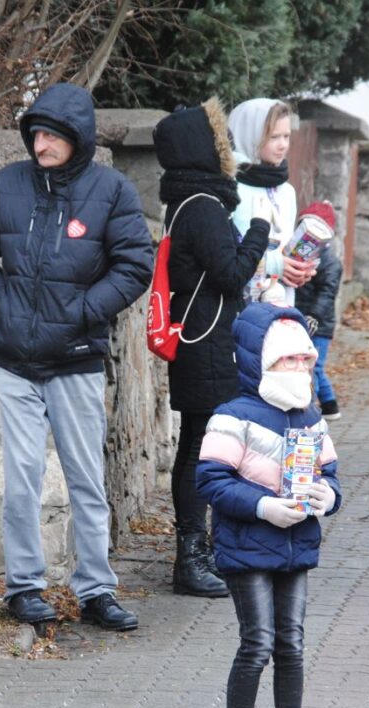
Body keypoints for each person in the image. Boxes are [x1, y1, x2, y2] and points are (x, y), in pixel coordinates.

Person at [0, 83, 153, 631]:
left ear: (78, 138)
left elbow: (135, 263)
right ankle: (24, 588)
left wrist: (82, 313)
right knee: (21, 478)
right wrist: (2, 305)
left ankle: (96, 591)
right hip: (16, 360)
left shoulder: (111, 191)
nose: (41, 144)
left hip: (76, 359)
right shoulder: (8, 183)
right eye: (36, 133)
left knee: (85, 479)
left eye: (52, 135)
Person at [196, 303, 341, 708]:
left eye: (306, 361)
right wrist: (262, 506)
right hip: (247, 545)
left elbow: (331, 475)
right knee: (257, 641)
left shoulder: (312, 418)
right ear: (261, 361)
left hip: (296, 547)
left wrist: (327, 496)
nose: (299, 369)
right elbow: (211, 479)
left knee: (292, 643)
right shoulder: (231, 417)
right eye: (288, 361)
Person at [152, 98, 271, 598]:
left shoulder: (188, 202)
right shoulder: (202, 207)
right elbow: (230, 273)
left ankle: (202, 550)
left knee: (199, 447)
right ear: (204, 149)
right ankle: (191, 556)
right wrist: (260, 234)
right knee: (202, 449)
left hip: (201, 338)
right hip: (207, 343)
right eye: (220, 141)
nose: (228, 151)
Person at [228, 98, 316, 306]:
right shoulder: (229, 186)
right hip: (239, 305)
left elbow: (284, 246)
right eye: (273, 137)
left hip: (280, 301)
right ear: (248, 136)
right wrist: (276, 264)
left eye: (286, 136)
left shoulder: (286, 191)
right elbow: (225, 252)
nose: (283, 145)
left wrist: (299, 268)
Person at [293, 201, 344, 421]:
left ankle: (318, 406)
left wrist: (314, 316)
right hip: (300, 317)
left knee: (315, 367)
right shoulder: (296, 254)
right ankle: (330, 406)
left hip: (319, 324)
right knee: (306, 365)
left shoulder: (330, 262)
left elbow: (327, 292)